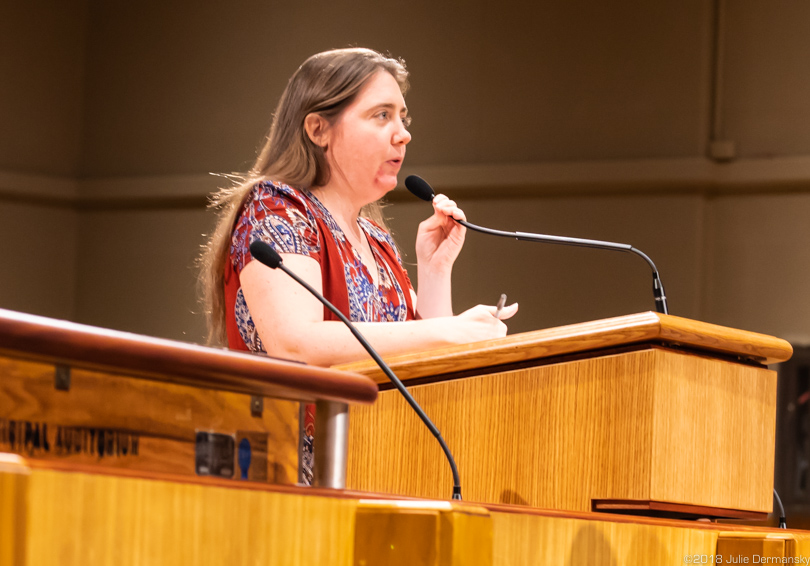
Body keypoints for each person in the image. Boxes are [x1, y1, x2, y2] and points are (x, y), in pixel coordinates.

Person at [199, 47, 517, 483]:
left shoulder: (377, 240)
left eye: (403, 118)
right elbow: (296, 344)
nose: (402, 134)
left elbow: (428, 368)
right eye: (381, 116)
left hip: (377, 473)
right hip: (286, 484)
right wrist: (449, 330)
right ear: (318, 129)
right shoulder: (277, 210)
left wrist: (435, 270)